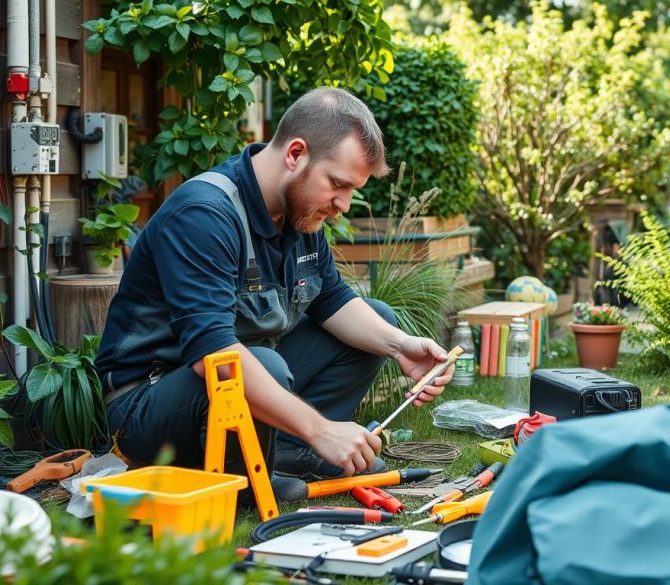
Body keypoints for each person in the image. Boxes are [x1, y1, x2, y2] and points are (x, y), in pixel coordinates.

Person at [95, 88, 454, 494]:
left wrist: (401, 345)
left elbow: (331, 300)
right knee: (261, 364)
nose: (345, 204)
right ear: (295, 154)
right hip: (146, 404)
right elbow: (211, 353)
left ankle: (287, 452)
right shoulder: (205, 214)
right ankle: (248, 480)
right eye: (338, 184)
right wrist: (321, 428)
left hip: (237, 381)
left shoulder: (299, 213)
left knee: (379, 321)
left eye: (353, 189)